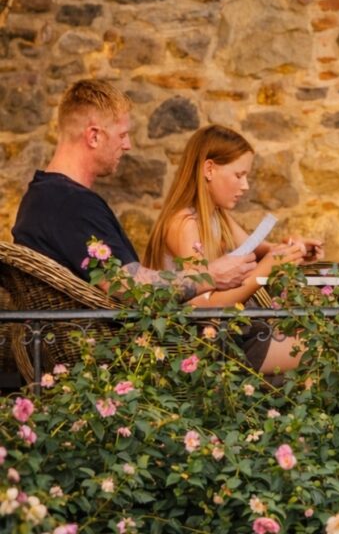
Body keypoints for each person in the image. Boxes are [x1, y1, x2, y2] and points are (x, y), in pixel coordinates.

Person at [11, 80, 292, 371]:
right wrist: (211, 275)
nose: (128, 145)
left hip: (87, 353)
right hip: (123, 361)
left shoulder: (43, 197)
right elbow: (132, 287)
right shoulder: (71, 204)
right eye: (122, 135)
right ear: (93, 136)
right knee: (308, 346)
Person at [143, 124, 321, 373]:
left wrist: (296, 248)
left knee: (328, 340)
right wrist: (264, 271)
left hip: (236, 332)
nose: (245, 186)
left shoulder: (218, 216)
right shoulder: (184, 224)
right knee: (323, 350)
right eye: (239, 175)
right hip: (208, 345)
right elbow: (203, 308)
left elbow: (261, 249)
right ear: (209, 169)